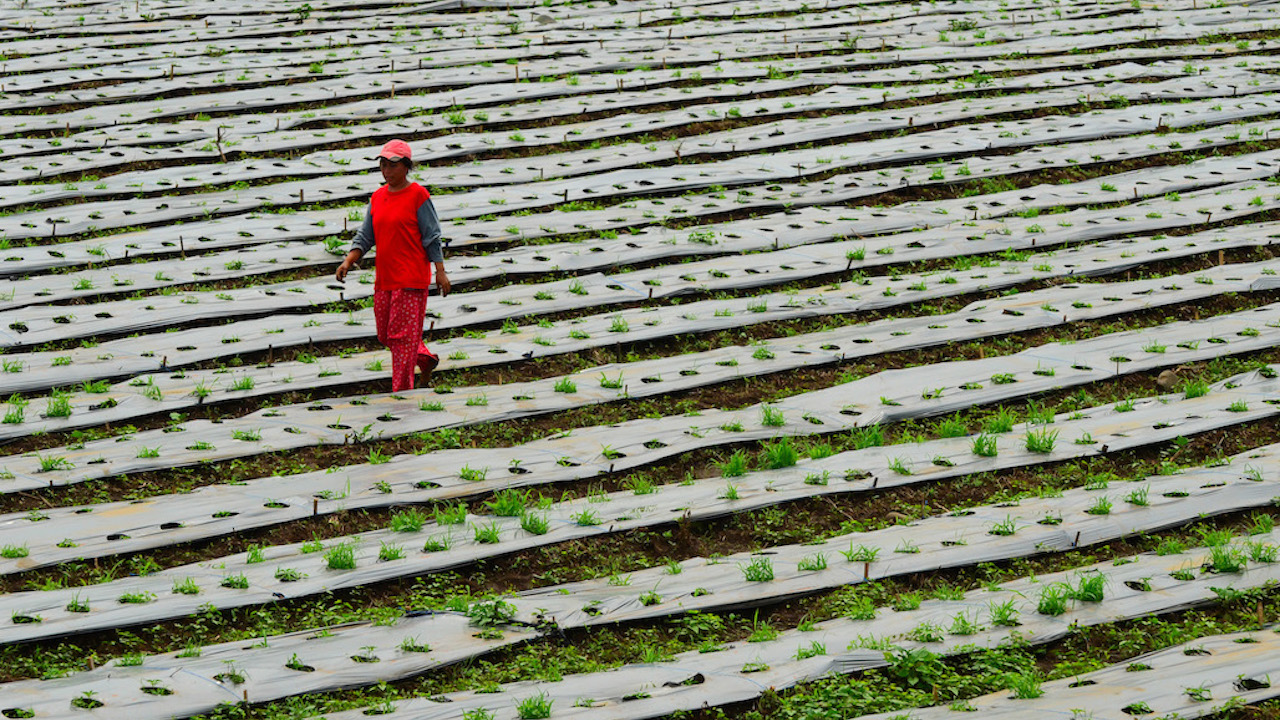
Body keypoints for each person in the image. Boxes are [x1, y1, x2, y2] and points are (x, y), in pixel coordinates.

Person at [335, 139, 451, 392]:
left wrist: (440, 272)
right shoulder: (378, 198)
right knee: (386, 335)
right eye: (383, 165)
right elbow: (366, 236)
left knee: (400, 340)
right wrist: (348, 260)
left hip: (410, 279)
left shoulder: (418, 196)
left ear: (407, 167)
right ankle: (424, 358)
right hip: (385, 279)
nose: (387, 171)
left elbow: (432, 236)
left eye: (392, 165)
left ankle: (402, 394)